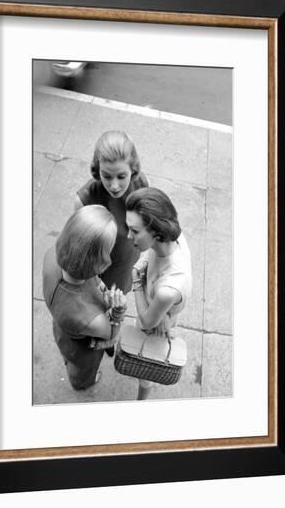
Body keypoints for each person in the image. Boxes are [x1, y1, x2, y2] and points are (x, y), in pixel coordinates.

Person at [43, 205, 127, 391]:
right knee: (81, 370)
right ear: (98, 263)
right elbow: (110, 334)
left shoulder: (52, 255)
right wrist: (119, 310)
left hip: (62, 328)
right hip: (81, 349)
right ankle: (83, 382)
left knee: (68, 355)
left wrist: (99, 285)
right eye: (110, 248)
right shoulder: (91, 319)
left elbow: (89, 275)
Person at [126, 187, 192, 400]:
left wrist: (136, 280)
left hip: (156, 323)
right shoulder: (175, 236)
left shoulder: (167, 289)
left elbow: (146, 321)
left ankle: (140, 403)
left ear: (157, 232)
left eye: (135, 231)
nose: (128, 236)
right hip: (162, 311)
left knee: (146, 367)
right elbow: (152, 254)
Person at [74, 131, 149, 294]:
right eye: (106, 176)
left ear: (133, 170)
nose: (114, 186)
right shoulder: (85, 201)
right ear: (97, 169)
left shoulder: (142, 183)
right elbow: (80, 254)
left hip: (128, 266)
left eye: (121, 176)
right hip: (99, 278)